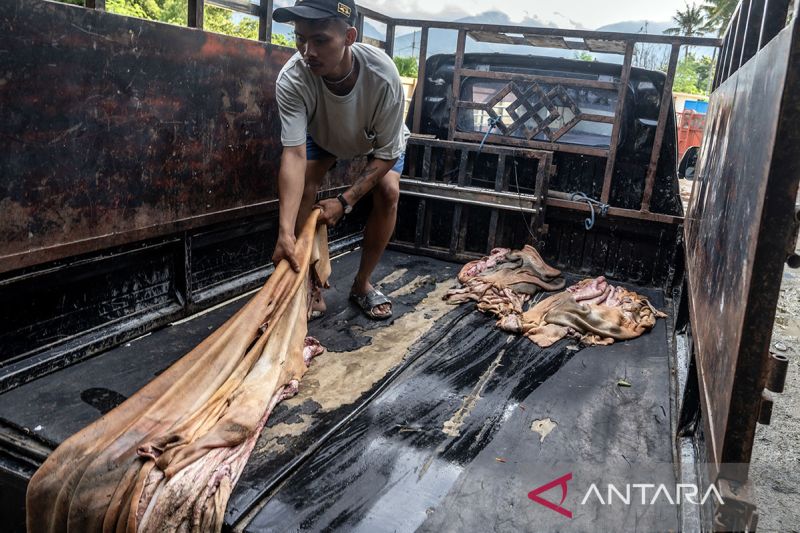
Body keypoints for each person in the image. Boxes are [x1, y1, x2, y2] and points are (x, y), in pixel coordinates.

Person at [271, 0, 409, 320]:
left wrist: (345, 201)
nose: (308, 51)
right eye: (300, 39)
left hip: (374, 139)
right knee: (305, 185)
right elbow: (293, 154)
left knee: (389, 192)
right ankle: (308, 284)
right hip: (326, 135)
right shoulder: (292, 78)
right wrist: (284, 232)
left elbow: (388, 153)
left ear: (349, 37)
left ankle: (362, 284)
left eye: (320, 40)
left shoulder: (383, 75)